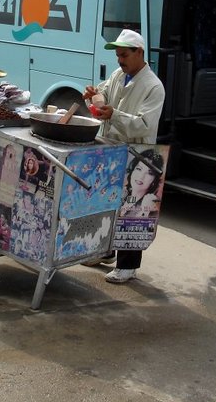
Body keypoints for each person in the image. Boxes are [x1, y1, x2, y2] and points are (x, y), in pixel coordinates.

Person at [82, 28, 165, 283]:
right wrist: (93, 97)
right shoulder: (119, 75)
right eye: (118, 56)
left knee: (131, 210)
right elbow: (104, 96)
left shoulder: (153, 86)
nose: (120, 60)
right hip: (111, 148)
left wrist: (113, 114)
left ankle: (128, 266)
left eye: (124, 55)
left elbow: (143, 125)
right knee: (107, 203)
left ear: (139, 52)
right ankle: (105, 251)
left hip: (136, 154)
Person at [119, 150, 164, 219]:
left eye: (149, 173)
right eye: (139, 169)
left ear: (154, 180)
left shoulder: (150, 205)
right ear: (132, 170)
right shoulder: (122, 193)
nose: (141, 176)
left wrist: (145, 211)